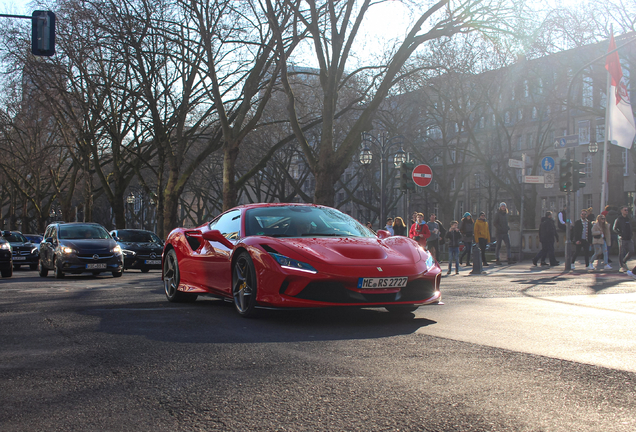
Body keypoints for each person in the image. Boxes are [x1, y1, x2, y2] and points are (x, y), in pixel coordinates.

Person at [613, 205, 633, 271]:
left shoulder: (629, 218)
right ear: (621, 211)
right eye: (625, 210)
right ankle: (621, 266)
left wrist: (631, 234)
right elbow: (614, 228)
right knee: (621, 252)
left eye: (627, 210)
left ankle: (624, 261)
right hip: (622, 238)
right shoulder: (619, 219)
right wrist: (620, 234)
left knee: (632, 250)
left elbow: (631, 226)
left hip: (629, 238)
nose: (626, 211)